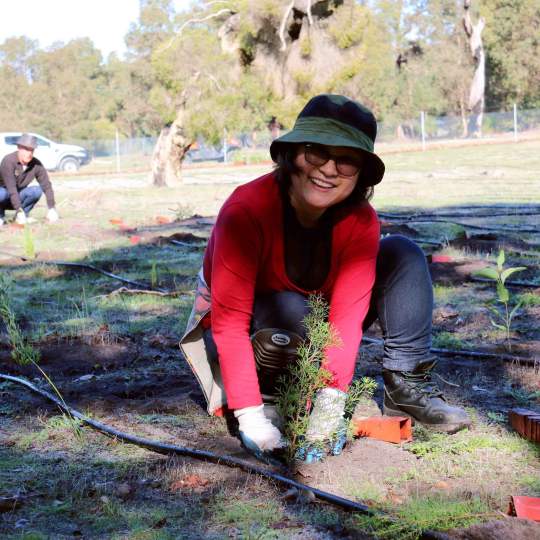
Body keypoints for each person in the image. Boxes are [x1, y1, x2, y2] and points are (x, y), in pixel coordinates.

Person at [180, 94, 471, 461]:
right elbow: (229, 325)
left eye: (347, 161)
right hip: (252, 330)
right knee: (290, 306)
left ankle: (404, 385)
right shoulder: (245, 211)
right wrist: (250, 418)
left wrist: (330, 407)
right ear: (292, 154)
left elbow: (346, 321)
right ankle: (270, 398)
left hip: (312, 326)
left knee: (402, 253)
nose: (329, 170)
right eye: (316, 152)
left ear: (361, 173)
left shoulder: (361, 220)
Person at [0, 133, 59, 226]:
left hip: (18, 196)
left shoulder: (36, 164)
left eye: (32, 150)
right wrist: (19, 209)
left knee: (36, 191)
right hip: (5, 195)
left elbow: (47, 185)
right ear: (19, 148)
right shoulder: (8, 161)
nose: (29, 153)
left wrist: (52, 208)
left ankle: (22, 216)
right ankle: (1, 216)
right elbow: (11, 188)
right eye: (26, 149)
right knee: (2, 193)